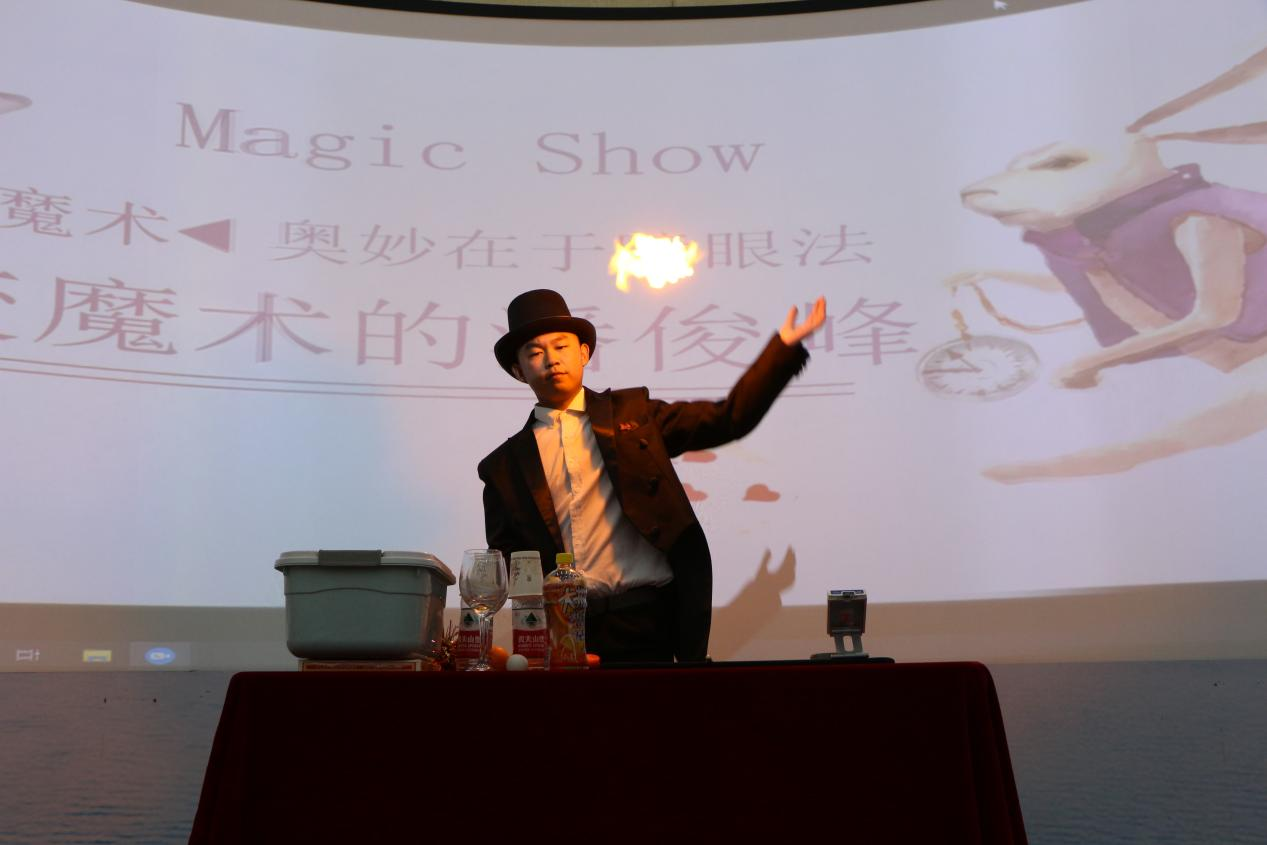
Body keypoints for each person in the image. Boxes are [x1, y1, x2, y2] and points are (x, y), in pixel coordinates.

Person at [477, 288, 826, 662]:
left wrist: (783, 349)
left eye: (561, 346)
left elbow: (727, 419)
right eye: (534, 353)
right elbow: (511, 571)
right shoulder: (502, 468)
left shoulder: (634, 415)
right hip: (569, 634)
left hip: (650, 620)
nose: (551, 360)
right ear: (518, 370)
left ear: (584, 353)